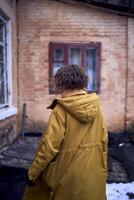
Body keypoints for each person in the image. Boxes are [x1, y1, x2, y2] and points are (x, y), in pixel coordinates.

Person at [23, 64, 108, 200]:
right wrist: (102, 172)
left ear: (61, 83)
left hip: (66, 179)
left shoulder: (60, 110)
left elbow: (48, 148)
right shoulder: (96, 108)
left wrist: (32, 174)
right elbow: (104, 143)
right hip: (93, 175)